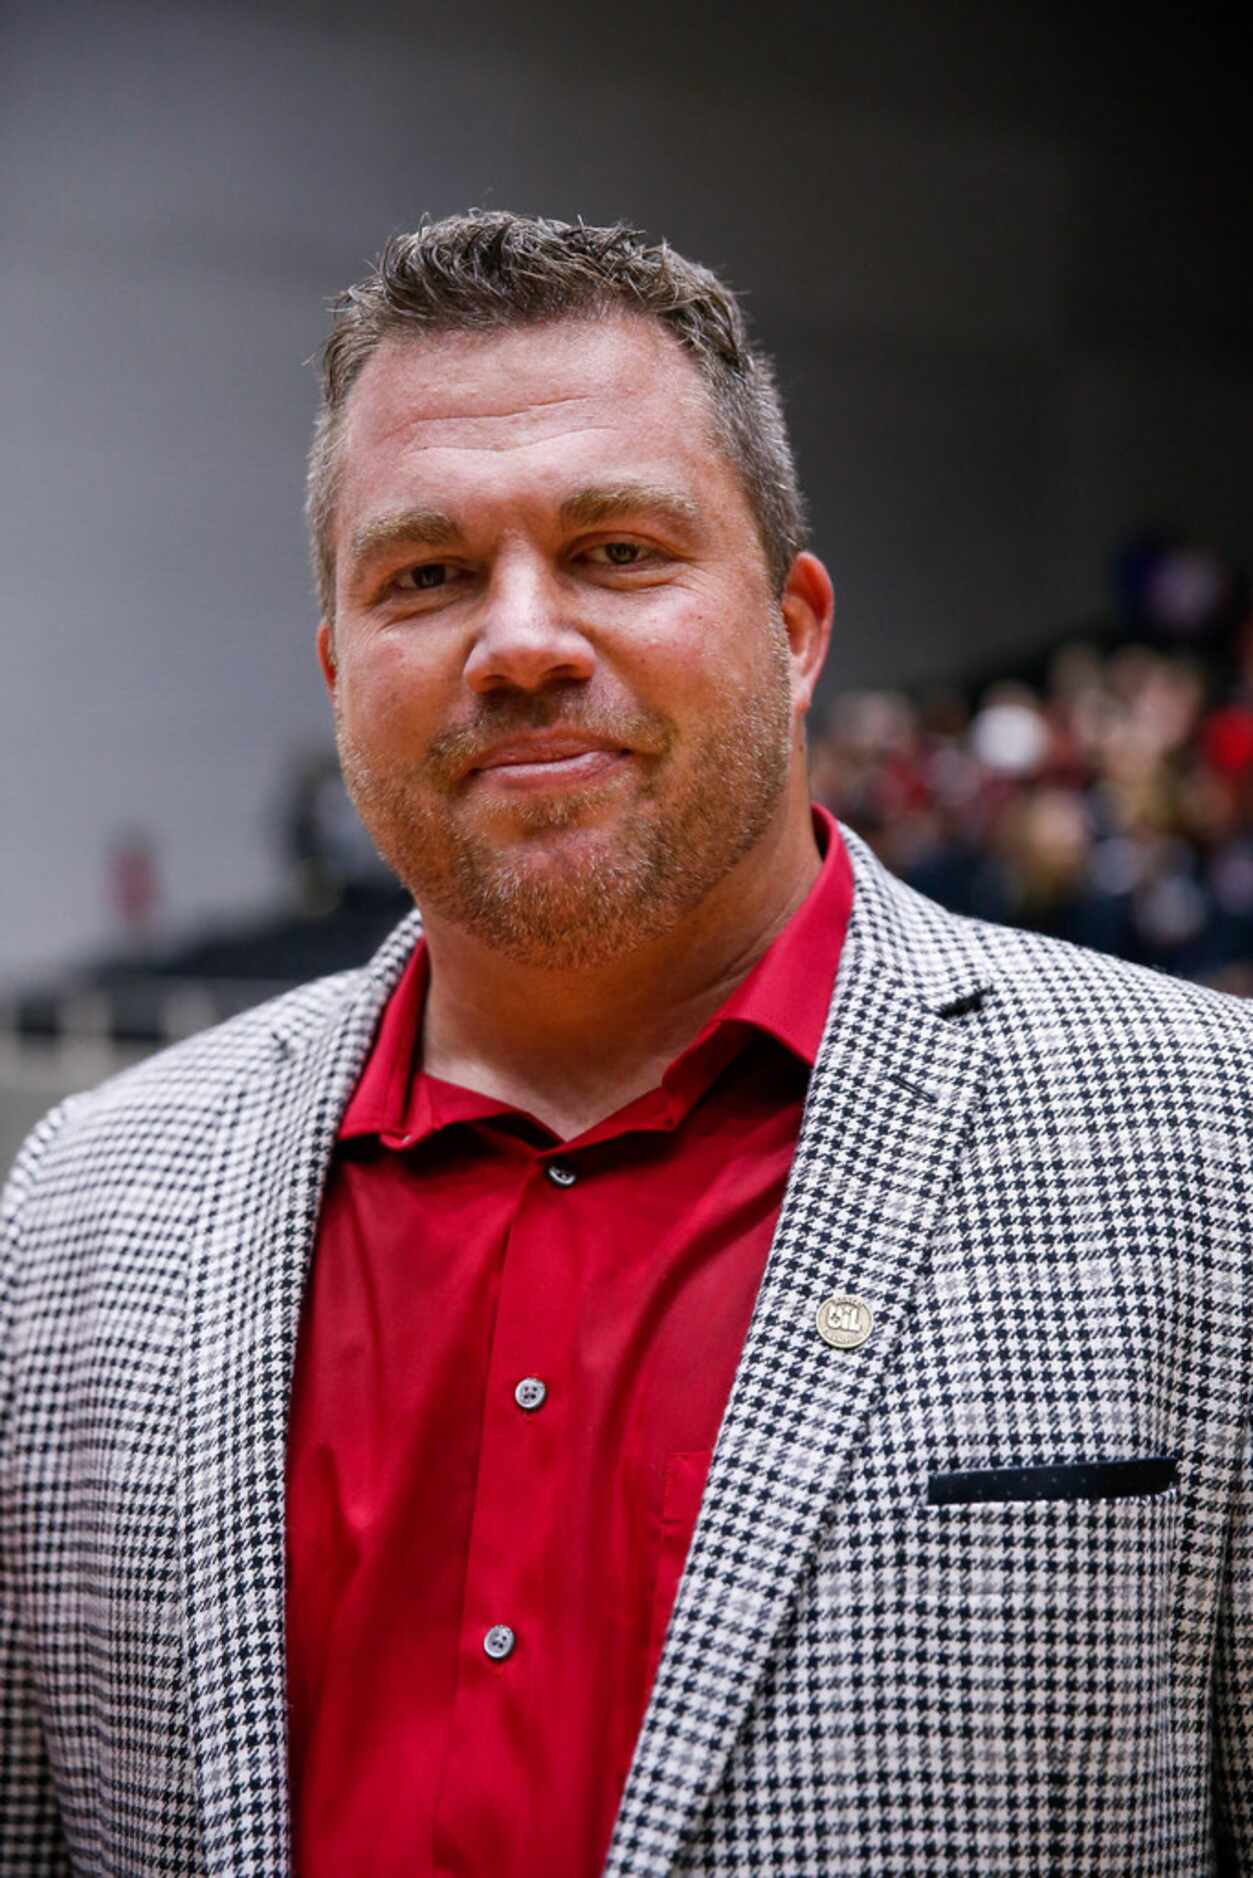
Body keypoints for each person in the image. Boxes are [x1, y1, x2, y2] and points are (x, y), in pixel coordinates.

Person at [2, 213, 1251, 1878]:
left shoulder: (1210, 1144)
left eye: (616, 550)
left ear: (797, 629)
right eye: (425, 575)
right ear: (335, 670)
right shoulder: (83, 1214)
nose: (521, 641)